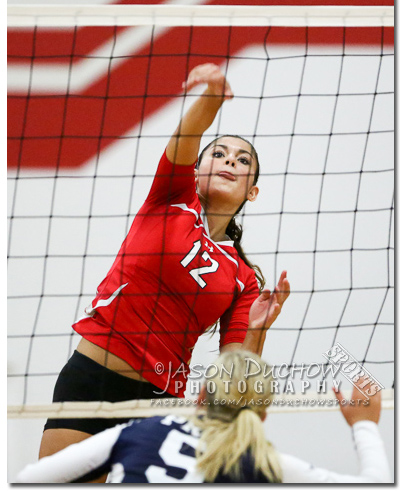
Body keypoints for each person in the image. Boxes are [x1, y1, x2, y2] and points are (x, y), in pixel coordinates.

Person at [39, 64, 291, 462]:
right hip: (93, 378)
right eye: (219, 153)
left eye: (243, 161)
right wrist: (212, 96)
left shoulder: (244, 280)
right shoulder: (172, 197)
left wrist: (259, 329)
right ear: (196, 169)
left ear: (252, 191)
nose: (229, 161)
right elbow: (187, 135)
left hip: (158, 403)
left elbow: (235, 371)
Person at [17, 350, 391, 483]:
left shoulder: (142, 432)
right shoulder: (265, 465)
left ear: (199, 397)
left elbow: (30, 479)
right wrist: (364, 424)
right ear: (262, 415)